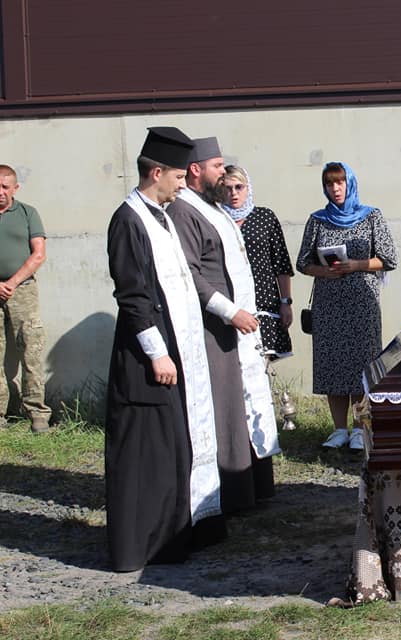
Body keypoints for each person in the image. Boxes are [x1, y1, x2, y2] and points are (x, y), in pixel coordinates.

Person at [105, 127, 224, 571]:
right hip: (145, 356)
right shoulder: (128, 220)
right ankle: (142, 542)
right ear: (156, 173)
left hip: (177, 343)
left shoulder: (162, 215)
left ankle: (176, 534)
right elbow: (132, 293)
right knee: (147, 449)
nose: (181, 184)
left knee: (173, 444)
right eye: (176, 176)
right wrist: (157, 353)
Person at [167, 137, 279, 515]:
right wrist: (230, 312)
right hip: (215, 328)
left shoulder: (212, 207)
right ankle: (231, 493)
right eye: (217, 166)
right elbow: (191, 274)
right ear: (195, 170)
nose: (223, 173)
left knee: (246, 401)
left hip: (239, 325)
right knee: (226, 407)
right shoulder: (184, 211)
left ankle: (254, 487)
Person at [296, 162, 397, 450]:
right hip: (329, 305)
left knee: (361, 364)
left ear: (349, 184)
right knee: (332, 364)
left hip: (362, 303)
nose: (335, 188)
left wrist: (356, 265)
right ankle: (339, 429)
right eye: (329, 183)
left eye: (340, 182)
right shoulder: (318, 220)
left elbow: (389, 258)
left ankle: (360, 428)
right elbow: (302, 262)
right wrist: (323, 271)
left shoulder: (371, 216)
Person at [220, 165, 294, 360]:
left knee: (262, 362)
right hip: (230, 302)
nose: (234, 193)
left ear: (248, 188)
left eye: (239, 187)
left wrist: (286, 302)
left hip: (264, 302)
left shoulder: (265, 217)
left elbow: (282, 264)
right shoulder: (216, 219)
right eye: (228, 188)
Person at [0, 165, 52, 432]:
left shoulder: (27, 213)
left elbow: (38, 254)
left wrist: (10, 283)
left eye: (5, 187)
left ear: (15, 188)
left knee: (31, 350)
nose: (0, 192)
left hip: (23, 290)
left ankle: (37, 413)